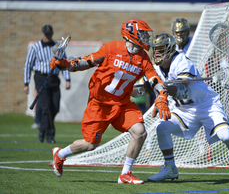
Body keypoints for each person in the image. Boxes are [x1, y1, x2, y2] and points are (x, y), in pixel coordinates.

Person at [49, 19, 171, 184]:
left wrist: (162, 95)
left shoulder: (143, 58)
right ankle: (60, 154)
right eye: (143, 34)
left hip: (122, 103)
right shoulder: (111, 48)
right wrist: (64, 64)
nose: (146, 38)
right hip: (99, 104)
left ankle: (125, 174)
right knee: (90, 144)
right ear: (131, 34)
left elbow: (154, 78)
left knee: (140, 132)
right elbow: (85, 62)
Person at [143, 33, 229, 183]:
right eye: (155, 49)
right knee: (161, 127)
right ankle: (170, 168)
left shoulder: (181, 61)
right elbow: (142, 87)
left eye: (161, 49)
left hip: (206, 105)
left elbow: (182, 91)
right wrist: (143, 88)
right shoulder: (155, 68)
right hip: (185, 110)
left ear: (169, 49)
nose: (157, 53)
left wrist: (160, 91)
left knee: (226, 136)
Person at [23, 24, 71, 143]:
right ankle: (50, 136)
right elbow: (28, 65)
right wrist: (26, 83)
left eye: (50, 34)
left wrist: (67, 79)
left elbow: (64, 63)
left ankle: (42, 128)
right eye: (46, 34)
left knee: (55, 107)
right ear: (42, 33)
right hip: (41, 78)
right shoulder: (35, 48)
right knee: (46, 108)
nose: (48, 36)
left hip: (54, 79)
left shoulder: (57, 47)